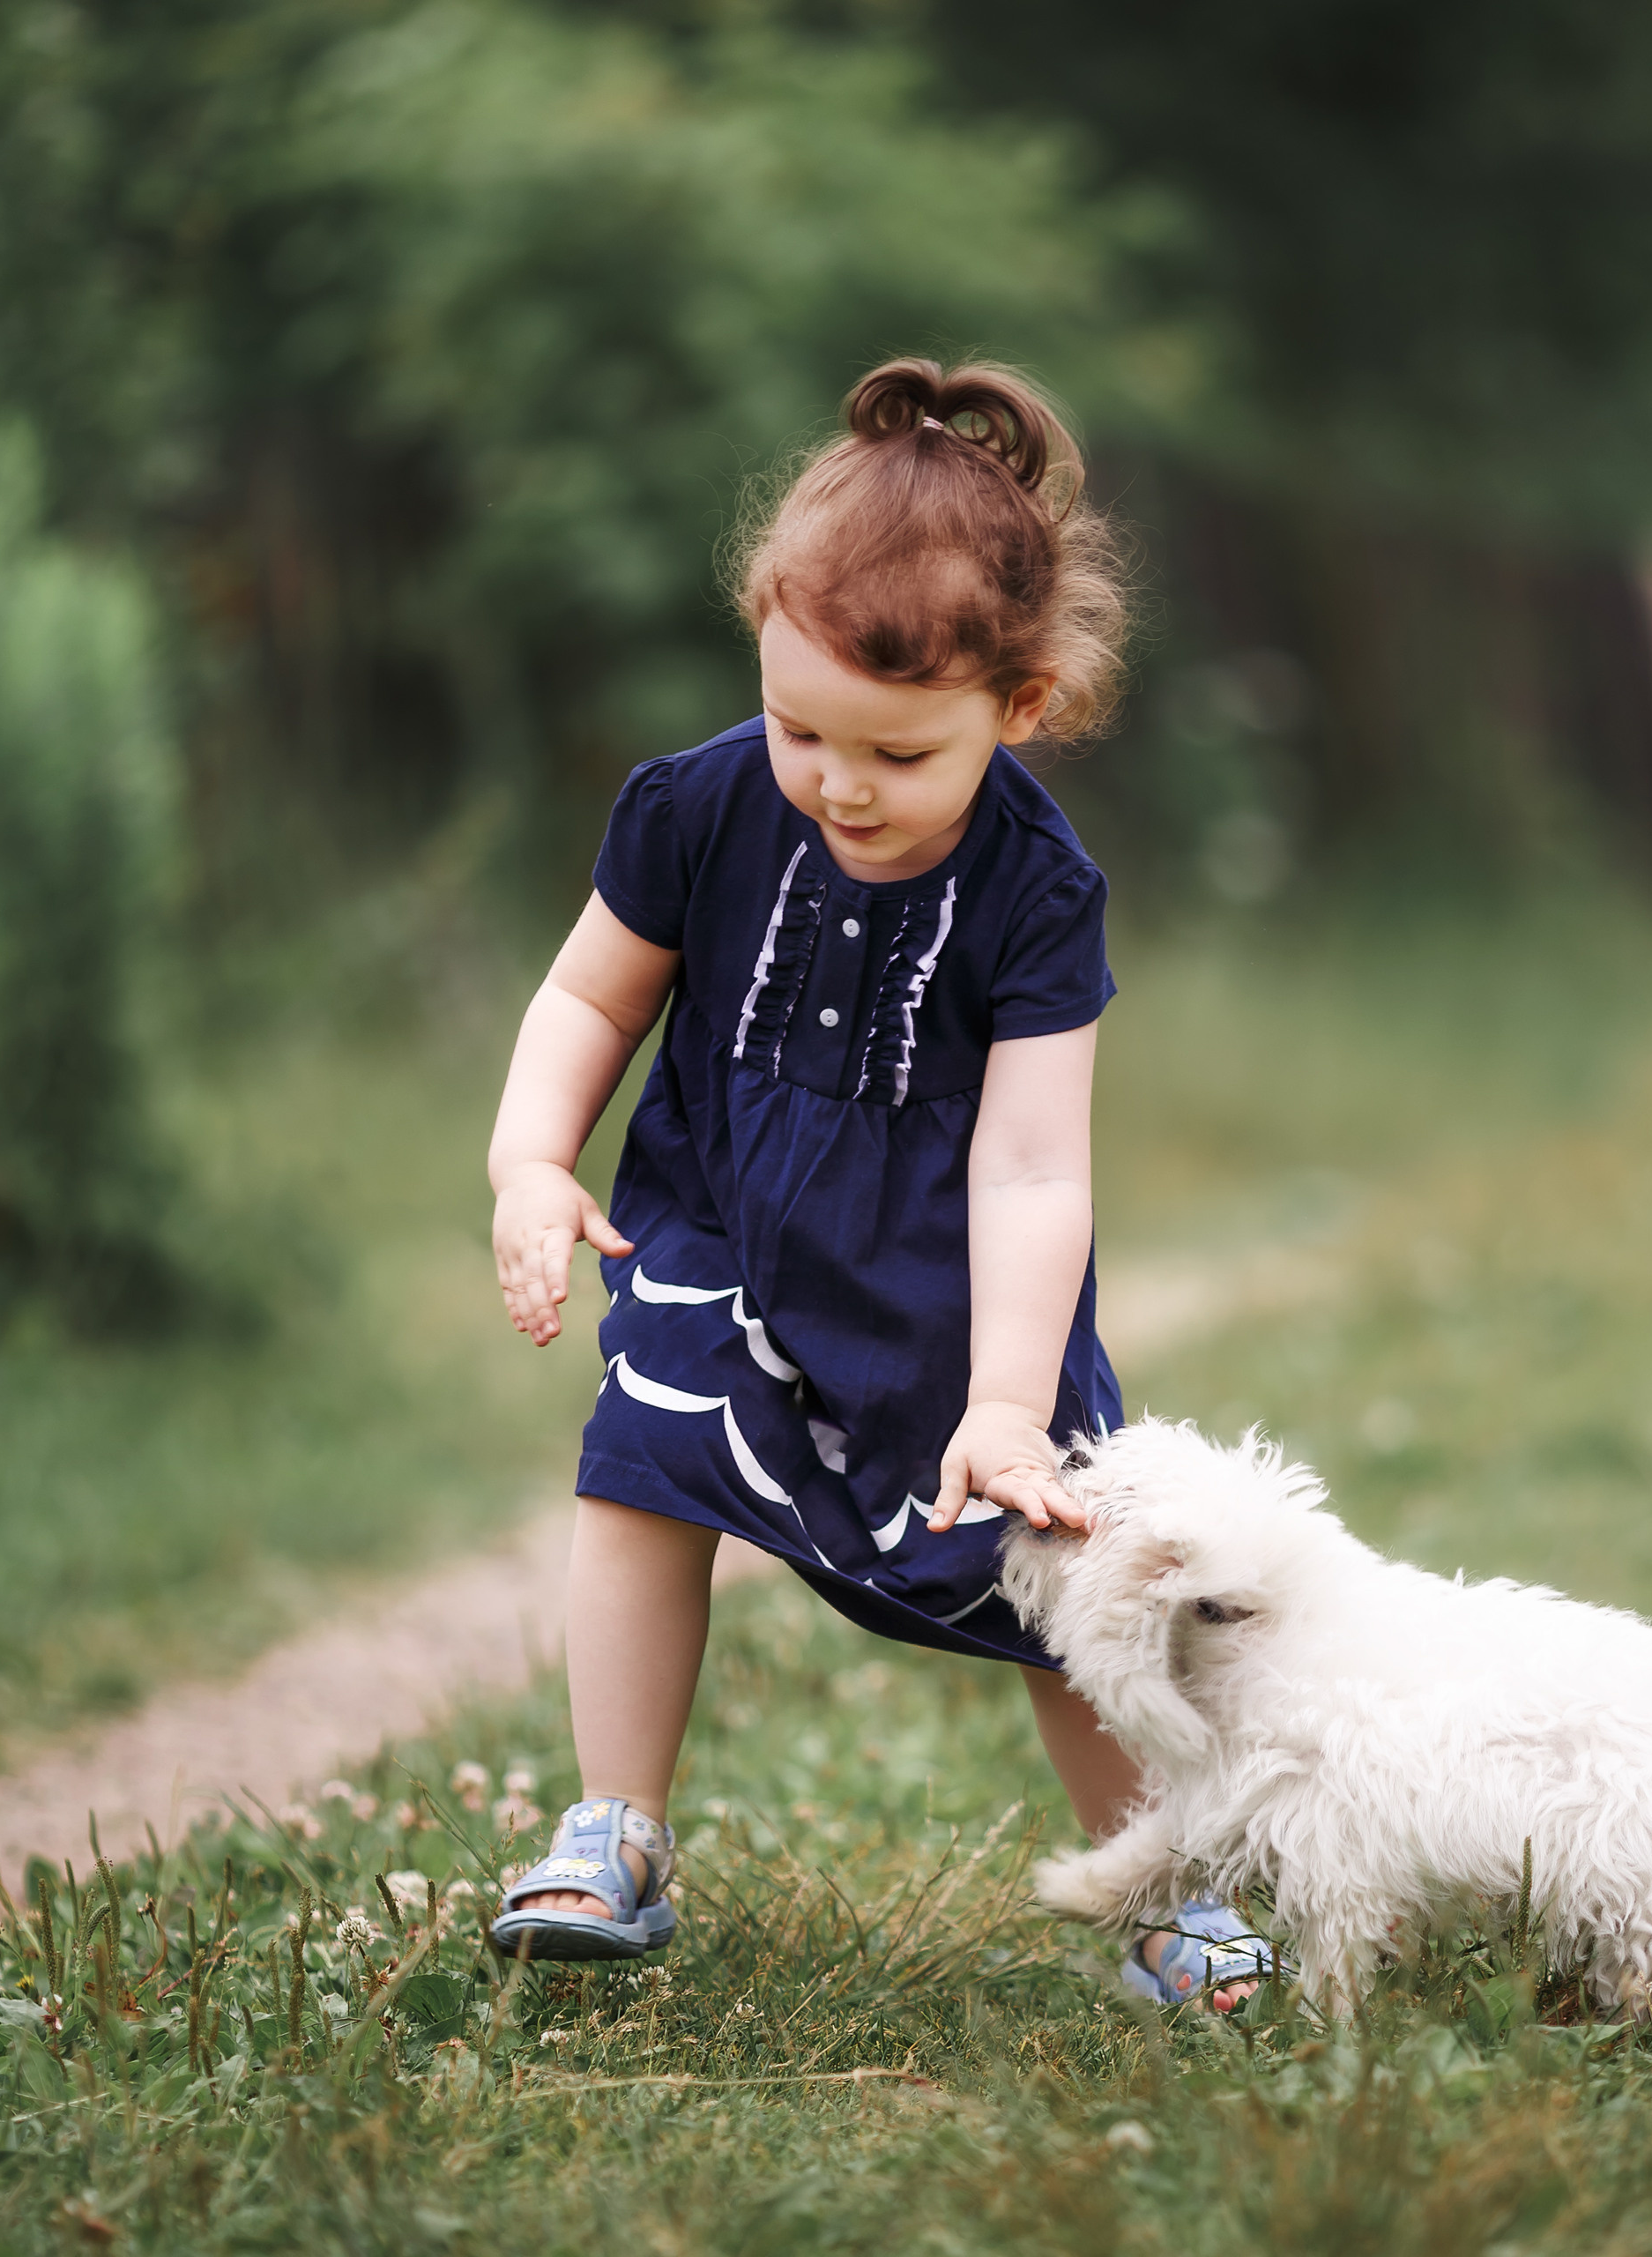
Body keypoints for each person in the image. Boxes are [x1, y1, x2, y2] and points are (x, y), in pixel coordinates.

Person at [482, 359, 1265, 2010]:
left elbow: (1039, 1161)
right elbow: (589, 997)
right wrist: (534, 1156)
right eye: (799, 728)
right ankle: (614, 1830)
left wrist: (1002, 1400)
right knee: (642, 1470)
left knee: (1058, 1572)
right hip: (727, 1226)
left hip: (954, 1283)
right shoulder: (698, 807)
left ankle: (1169, 1895)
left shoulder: (1039, 892)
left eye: (896, 751)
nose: (837, 782)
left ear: (1020, 706)